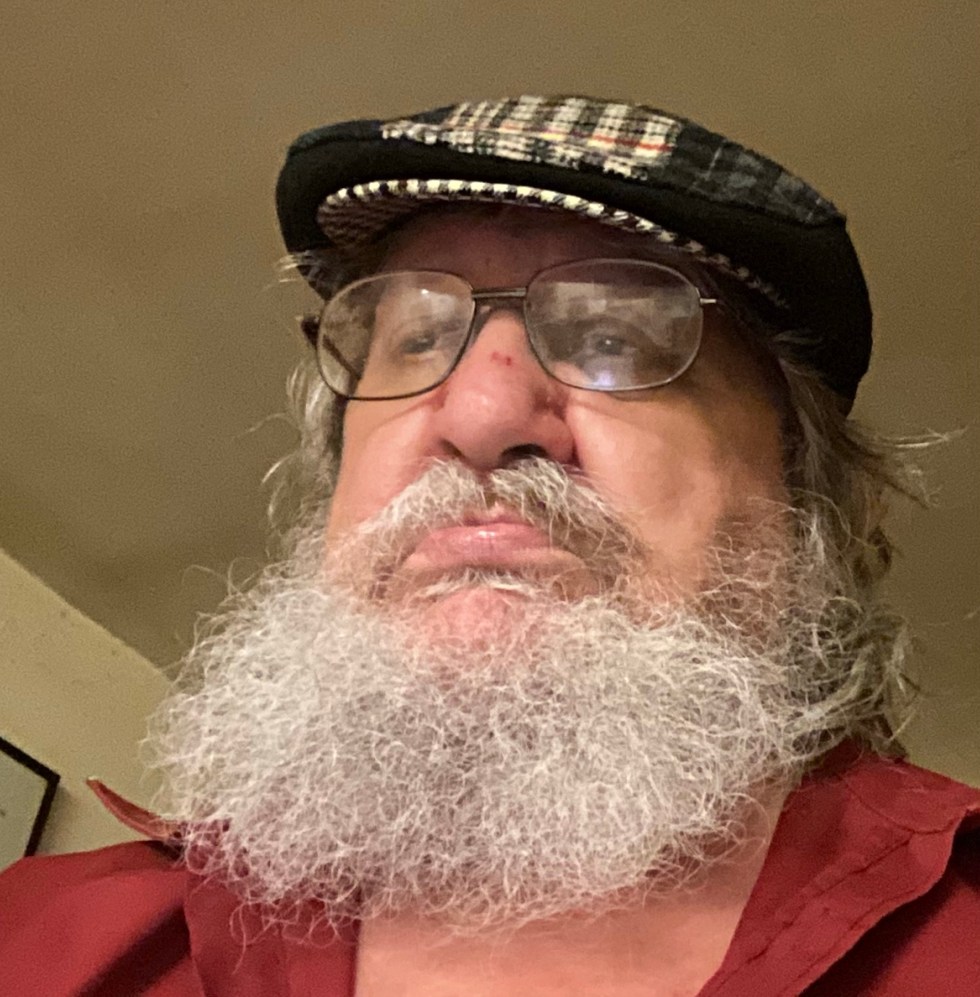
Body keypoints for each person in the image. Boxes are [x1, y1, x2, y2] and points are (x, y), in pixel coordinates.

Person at [1, 95, 977, 996]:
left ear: (804, 498)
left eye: (615, 340)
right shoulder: (41, 937)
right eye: (418, 341)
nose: (479, 415)